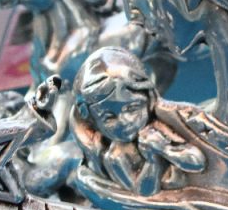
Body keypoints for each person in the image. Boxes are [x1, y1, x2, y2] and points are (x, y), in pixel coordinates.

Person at [71, 47, 205, 200]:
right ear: (95, 123)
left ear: (148, 100)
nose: (124, 121)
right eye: (109, 117)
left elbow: (198, 163)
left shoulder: (160, 129)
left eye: (132, 108)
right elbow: (145, 192)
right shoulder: (116, 157)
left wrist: (165, 149)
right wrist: (153, 160)